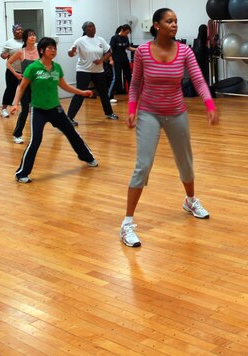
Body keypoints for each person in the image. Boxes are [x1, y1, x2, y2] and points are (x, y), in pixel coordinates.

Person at [120, 8, 219, 248]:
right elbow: (135, 85)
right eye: (169, 21)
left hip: (177, 113)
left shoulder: (184, 51)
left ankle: (190, 200)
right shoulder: (143, 51)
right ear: (156, 25)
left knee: (185, 160)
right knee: (143, 165)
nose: (174, 25)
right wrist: (132, 109)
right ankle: (127, 223)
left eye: (175, 21)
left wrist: (208, 103)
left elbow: (197, 78)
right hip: (149, 114)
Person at [8, 37, 99, 183]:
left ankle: (87, 157)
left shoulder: (57, 68)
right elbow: (21, 87)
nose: (53, 51)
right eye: (50, 48)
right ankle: (21, 173)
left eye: (54, 48)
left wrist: (82, 92)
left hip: (55, 109)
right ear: (42, 51)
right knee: (35, 140)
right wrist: (15, 104)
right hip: (38, 110)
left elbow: (64, 86)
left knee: (72, 133)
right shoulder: (33, 68)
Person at [67, 21, 118, 125]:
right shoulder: (80, 41)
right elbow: (71, 54)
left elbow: (109, 52)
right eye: (90, 27)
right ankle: (69, 118)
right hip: (83, 71)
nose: (93, 28)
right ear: (85, 30)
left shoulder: (100, 40)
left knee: (103, 92)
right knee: (80, 93)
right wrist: (71, 51)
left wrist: (101, 60)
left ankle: (109, 113)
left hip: (98, 71)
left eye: (93, 26)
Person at [7, 28, 40, 144]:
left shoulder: (40, 51)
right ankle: (17, 134)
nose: (33, 37)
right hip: (24, 85)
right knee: (25, 110)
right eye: (30, 35)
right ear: (26, 38)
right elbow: (8, 63)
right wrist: (16, 74)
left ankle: (36, 135)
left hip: (37, 85)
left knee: (38, 111)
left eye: (34, 35)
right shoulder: (21, 52)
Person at [0, 24, 24, 118]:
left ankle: (29, 107)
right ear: (14, 31)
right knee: (10, 89)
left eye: (21, 29)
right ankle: (3, 109)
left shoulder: (26, 41)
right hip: (12, 70)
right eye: (18, 29)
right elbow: (2, 54)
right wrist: (4, 56)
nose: (20, 31)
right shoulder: (9, 43)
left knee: (26, 89)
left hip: (25, 70)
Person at [108, 24, 136, 103]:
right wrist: (111, 60)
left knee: (129, 77)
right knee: (116, 78)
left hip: (124, 60)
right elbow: (110, 50)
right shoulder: (114, 38)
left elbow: (128, 47)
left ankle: (132, 95)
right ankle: (110, 96)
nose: (127, 34)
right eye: (126, 32)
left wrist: (137, 49)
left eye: (128, 33)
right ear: (122, 30)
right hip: (116, 61)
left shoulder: (125, 38)